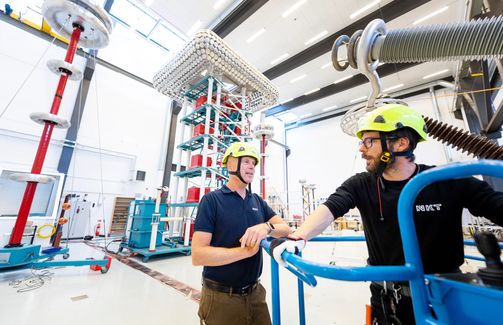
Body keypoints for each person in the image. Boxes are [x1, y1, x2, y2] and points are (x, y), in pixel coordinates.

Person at [270, 104, 503, 324]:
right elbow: (332, 207)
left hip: (443, 297)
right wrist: (297, 237)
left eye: (369, 141)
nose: (361, 149)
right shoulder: (361, 184)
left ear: (400, 143)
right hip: (387, 300)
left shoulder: (446, 181)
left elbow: (496, 206)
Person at [192, 141, 291, 325]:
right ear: (230, 164)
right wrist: (243, 252)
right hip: (221, 298)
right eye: (246, 161)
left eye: (253, 164)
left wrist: (266, 227)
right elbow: (198, 255)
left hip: (256, 295)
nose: (251, 167)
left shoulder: (258, 202)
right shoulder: (212, 201)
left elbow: (286, 229)